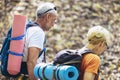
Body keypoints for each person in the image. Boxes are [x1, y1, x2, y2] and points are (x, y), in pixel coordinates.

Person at [21, 2, 57, 80]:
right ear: (48, 16)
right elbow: (31, 61)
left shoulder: (28, 28)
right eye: (53, 20)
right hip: (26, 76)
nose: (53, 24)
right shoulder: (37, 32)